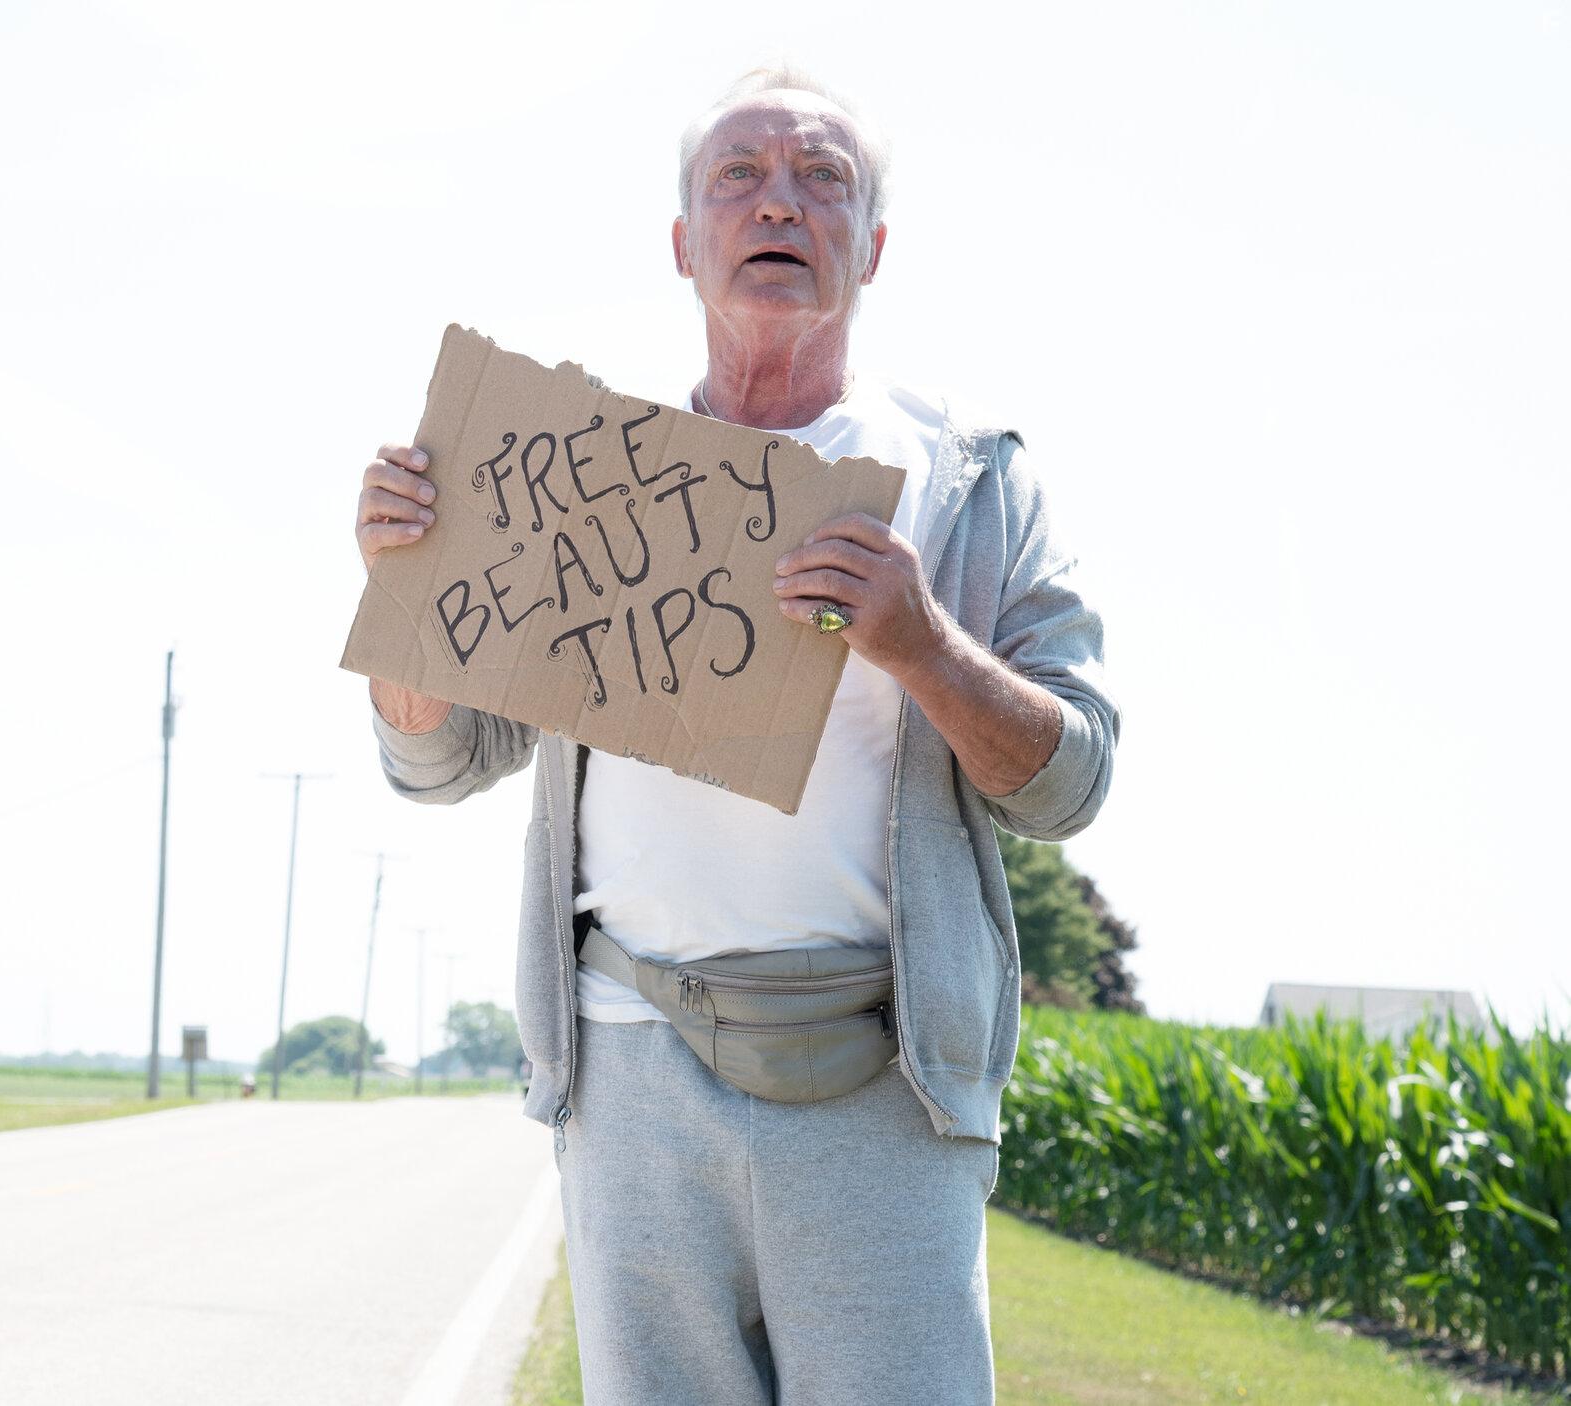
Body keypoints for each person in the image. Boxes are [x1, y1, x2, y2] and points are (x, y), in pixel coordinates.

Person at [353, 66, 1117, 1405]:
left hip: (882, 1079)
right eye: (738, 178)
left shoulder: (968, 479)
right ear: (682, 243)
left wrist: (922, 643)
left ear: (872, 246)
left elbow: (1071, 783)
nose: (779, 204)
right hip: (628, 1065)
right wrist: (408, 599)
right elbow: (441, 759)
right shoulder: (591, 477)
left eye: (824, 179)